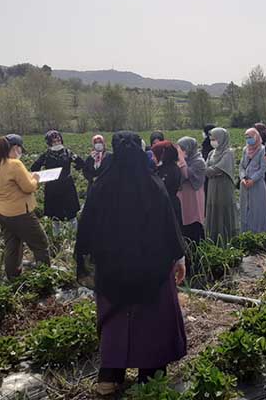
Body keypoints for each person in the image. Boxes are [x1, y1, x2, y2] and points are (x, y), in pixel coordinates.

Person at [75, 131, 186, 395]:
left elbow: (86, 228)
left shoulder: (101, 186)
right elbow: (169, 227)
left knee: (115, 320)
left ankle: (109, 377)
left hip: (112, 271)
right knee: (151, 320)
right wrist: (179, 258)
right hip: (151, 270)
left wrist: (93, 257)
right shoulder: (153, 185)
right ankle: (150, 376)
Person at [0, 134, 50, 279]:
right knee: (40, 243)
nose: (20, 152)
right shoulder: (15, 164)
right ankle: (45, 277)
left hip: (1, 212)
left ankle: (13, 277)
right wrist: (36, 179)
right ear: (16, 148)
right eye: (20, 149)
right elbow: (29, 187)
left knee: (13, 246)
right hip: (19, 213)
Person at [31, 130, 84, 235]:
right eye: (54, 141)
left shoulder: (68, 153)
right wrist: (42, 175)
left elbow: (81, 163)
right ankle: (57, 236)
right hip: (52, 188)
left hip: (67, 186)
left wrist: (76, 166)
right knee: (55, 215)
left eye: (58, 140)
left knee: (71, 213)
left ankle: (75, 235)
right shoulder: (46, 155)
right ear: (49, 143)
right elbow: (34, 168)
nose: (57, 143)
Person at [205, 128, 237, 242]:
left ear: (221, 139)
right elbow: (206, 168)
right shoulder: (211, 153)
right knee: (214, 208)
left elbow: (219, 169)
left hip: (224, 186)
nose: (212, 142)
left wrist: (210, 171)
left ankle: (226, 238)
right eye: (211, 139)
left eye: (214, 139)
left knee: (223, 209)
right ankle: (214, 237)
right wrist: (210, 171)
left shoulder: (228, 153)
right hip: (212, 185)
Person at [239, 128, 266, 233]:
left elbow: (262, 169)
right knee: (245, 207)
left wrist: (252, 180)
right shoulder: (245, 149)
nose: (248, 139)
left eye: (250, 137)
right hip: (245, 184)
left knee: (257, 208)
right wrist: (243, 178)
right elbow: (242, 166)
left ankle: (259, 232)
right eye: (246, 137)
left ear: (256, 137)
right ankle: (246, 231)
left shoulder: (263, 150)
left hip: (257, 185)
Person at [176, 137, 206, 243]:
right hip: (183, 195)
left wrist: (182, 160)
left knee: (193, 220)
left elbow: (186, 174)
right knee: (183, 219)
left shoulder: (198, 161)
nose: (181, 152)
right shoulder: (182, 161)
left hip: (193, 195)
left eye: (183, 149)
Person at [151, 141, 183, 225]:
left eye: (154, 155)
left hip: (168, 206)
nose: (152, 158)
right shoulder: (163, 168)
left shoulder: (170, 170)